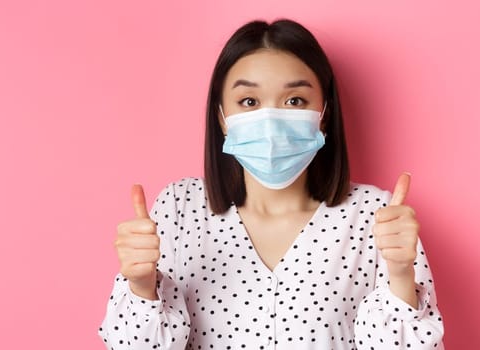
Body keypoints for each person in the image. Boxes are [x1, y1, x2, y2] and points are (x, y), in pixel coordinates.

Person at [98, 19, 444, 349]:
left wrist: (400, 276)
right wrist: (142, 287)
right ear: (222, 116)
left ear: (324, 114)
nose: (270, 118)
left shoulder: (375, 216)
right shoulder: (180, 208)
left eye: (295, 101)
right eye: (249, 102)